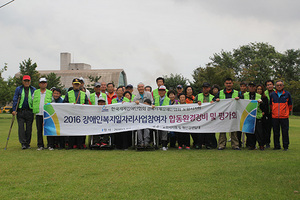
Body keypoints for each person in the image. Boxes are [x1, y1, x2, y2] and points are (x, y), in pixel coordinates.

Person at [213, 78, 242, 150]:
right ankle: (221, 145)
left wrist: (239, 99)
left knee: (234, 131)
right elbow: (213, 100)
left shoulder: (237, 93)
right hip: (223, 115)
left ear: (232, 84)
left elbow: (242, 101)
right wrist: (216, 100)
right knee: (222, 130)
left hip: (233, 115)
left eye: (230, 83)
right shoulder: (220, 93)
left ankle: (235, 145)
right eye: (227, 83)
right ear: (224, 84)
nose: (228, 85)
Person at [63, 78, 89, 149]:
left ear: (80, 85)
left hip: (81, 114)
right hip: (71, 115)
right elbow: (65, 103)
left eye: (77, 84)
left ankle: (80, 144)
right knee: (71, 130)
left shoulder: (84, 94)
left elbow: (87, 104)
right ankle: (71, 144)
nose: (76, 85)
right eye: (75, 84)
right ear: (72, 84)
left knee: (80, 130)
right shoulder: (68, 93)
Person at [12, 75, 36, 149]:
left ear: (30, 82)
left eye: (28, 81)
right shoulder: (18, 89)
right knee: (21, 128)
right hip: (21, 111)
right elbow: (15, 99)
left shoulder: (33, 89)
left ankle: (27, 143)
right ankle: (23, 143)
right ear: (23, 81)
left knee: (29, 128)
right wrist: (14, 110)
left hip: (30, 111)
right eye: (25, 81)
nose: (26, 82)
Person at [270, 80, 292, 151]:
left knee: (285, 132)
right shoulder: (272, 94)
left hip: (284, 117)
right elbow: (271, 105)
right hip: (275, 117)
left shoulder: (287, 94)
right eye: (277, 85)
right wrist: (274, 112)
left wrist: (286, 112)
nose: (279, 86)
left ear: (283, 86)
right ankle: (277, 146)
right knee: (276, 132)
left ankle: (285, 146)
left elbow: (290, 105)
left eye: (280, 85)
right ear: (275, 86)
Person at [242, 82, 266, 150]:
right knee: (249, 132)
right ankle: (251, 145)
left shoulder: (259, 96)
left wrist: (261, 103)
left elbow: (264, 106)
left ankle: (261, 145)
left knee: (259, 132)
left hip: (257, 116)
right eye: (250, 86)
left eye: (253, 86)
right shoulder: (245, 95)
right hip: (248, 116)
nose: (251, 88)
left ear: (255, 87)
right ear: (248, 87)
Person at [194, 82, 217, 149]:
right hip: (200, 117)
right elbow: (193, 104)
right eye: (204, 88)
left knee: (209, 132)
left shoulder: (213, 97)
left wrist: (214, 102)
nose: (205, 89)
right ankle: (199, 144)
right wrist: (197, 103)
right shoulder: (198, 96)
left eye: (206, 88)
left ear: (209, 88)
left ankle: (208, 144)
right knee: (200, 132)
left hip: (209, 117)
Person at [32, 78, 53, 150]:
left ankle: (50, 145)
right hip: (38, 114)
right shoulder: (35, 92)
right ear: (39, 84)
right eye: (41, 83)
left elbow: (52, 102)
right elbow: (32, 101)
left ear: (46, 84)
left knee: (48, 129)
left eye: (44, 82)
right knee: (39, 130)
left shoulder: (50, 92)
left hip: (47, 114)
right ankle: (40, 145)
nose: (43, 84)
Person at [153, 85, 170, 151]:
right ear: (158, 91)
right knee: (158, 132)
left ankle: (164, 145)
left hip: (165, 118)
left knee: (164, 132)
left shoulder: (168, 99)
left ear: (165, 91)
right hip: (157, 118)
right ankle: (158, 144)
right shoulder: (156, 98)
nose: (161, 92)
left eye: (163, 90)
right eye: (160, 90)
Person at [256, 84, 269, 149]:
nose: (259, 90)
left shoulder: (264, 97)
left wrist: (263, 113)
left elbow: (266, 107)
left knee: (262, 131)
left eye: (260, 89)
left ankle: (262, 144)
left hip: (262, 116)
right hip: (255, 116)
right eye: (258, 89)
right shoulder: (255, 97)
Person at [264, 80, 275, 148]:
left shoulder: (276, 92)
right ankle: (267, 143)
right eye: (268, 85)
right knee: (267, 129)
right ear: (266, 86)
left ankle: (277, 144)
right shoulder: (264, 93)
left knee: (276, 130)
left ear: (273, 85)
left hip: (275, 113)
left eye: (270, 84)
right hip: (267, 113)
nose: (269, 86)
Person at [237, 82, 248, 147]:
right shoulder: (238, 94)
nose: (242, 88)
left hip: (246, 113)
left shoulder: (247, 94)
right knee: (239, 129)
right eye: (241, 86)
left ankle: (248, 143)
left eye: (244, 86)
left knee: (247, 129)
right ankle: (239, 142)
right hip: (239, 113)